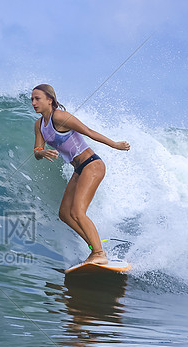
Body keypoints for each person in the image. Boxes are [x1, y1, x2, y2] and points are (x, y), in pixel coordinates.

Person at [31, 84, 130, 265]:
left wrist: (115, 145)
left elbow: (89, 132)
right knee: (65, 214)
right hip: (78, 169)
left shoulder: (60, 117)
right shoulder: (39, 125)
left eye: (37, 98)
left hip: (92, 164)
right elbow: (37, 151)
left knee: (77, 211)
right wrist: (42, 152)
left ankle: (99, 252)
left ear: (49, 100)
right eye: (32, 99)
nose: (34, 102)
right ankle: (96, 248)